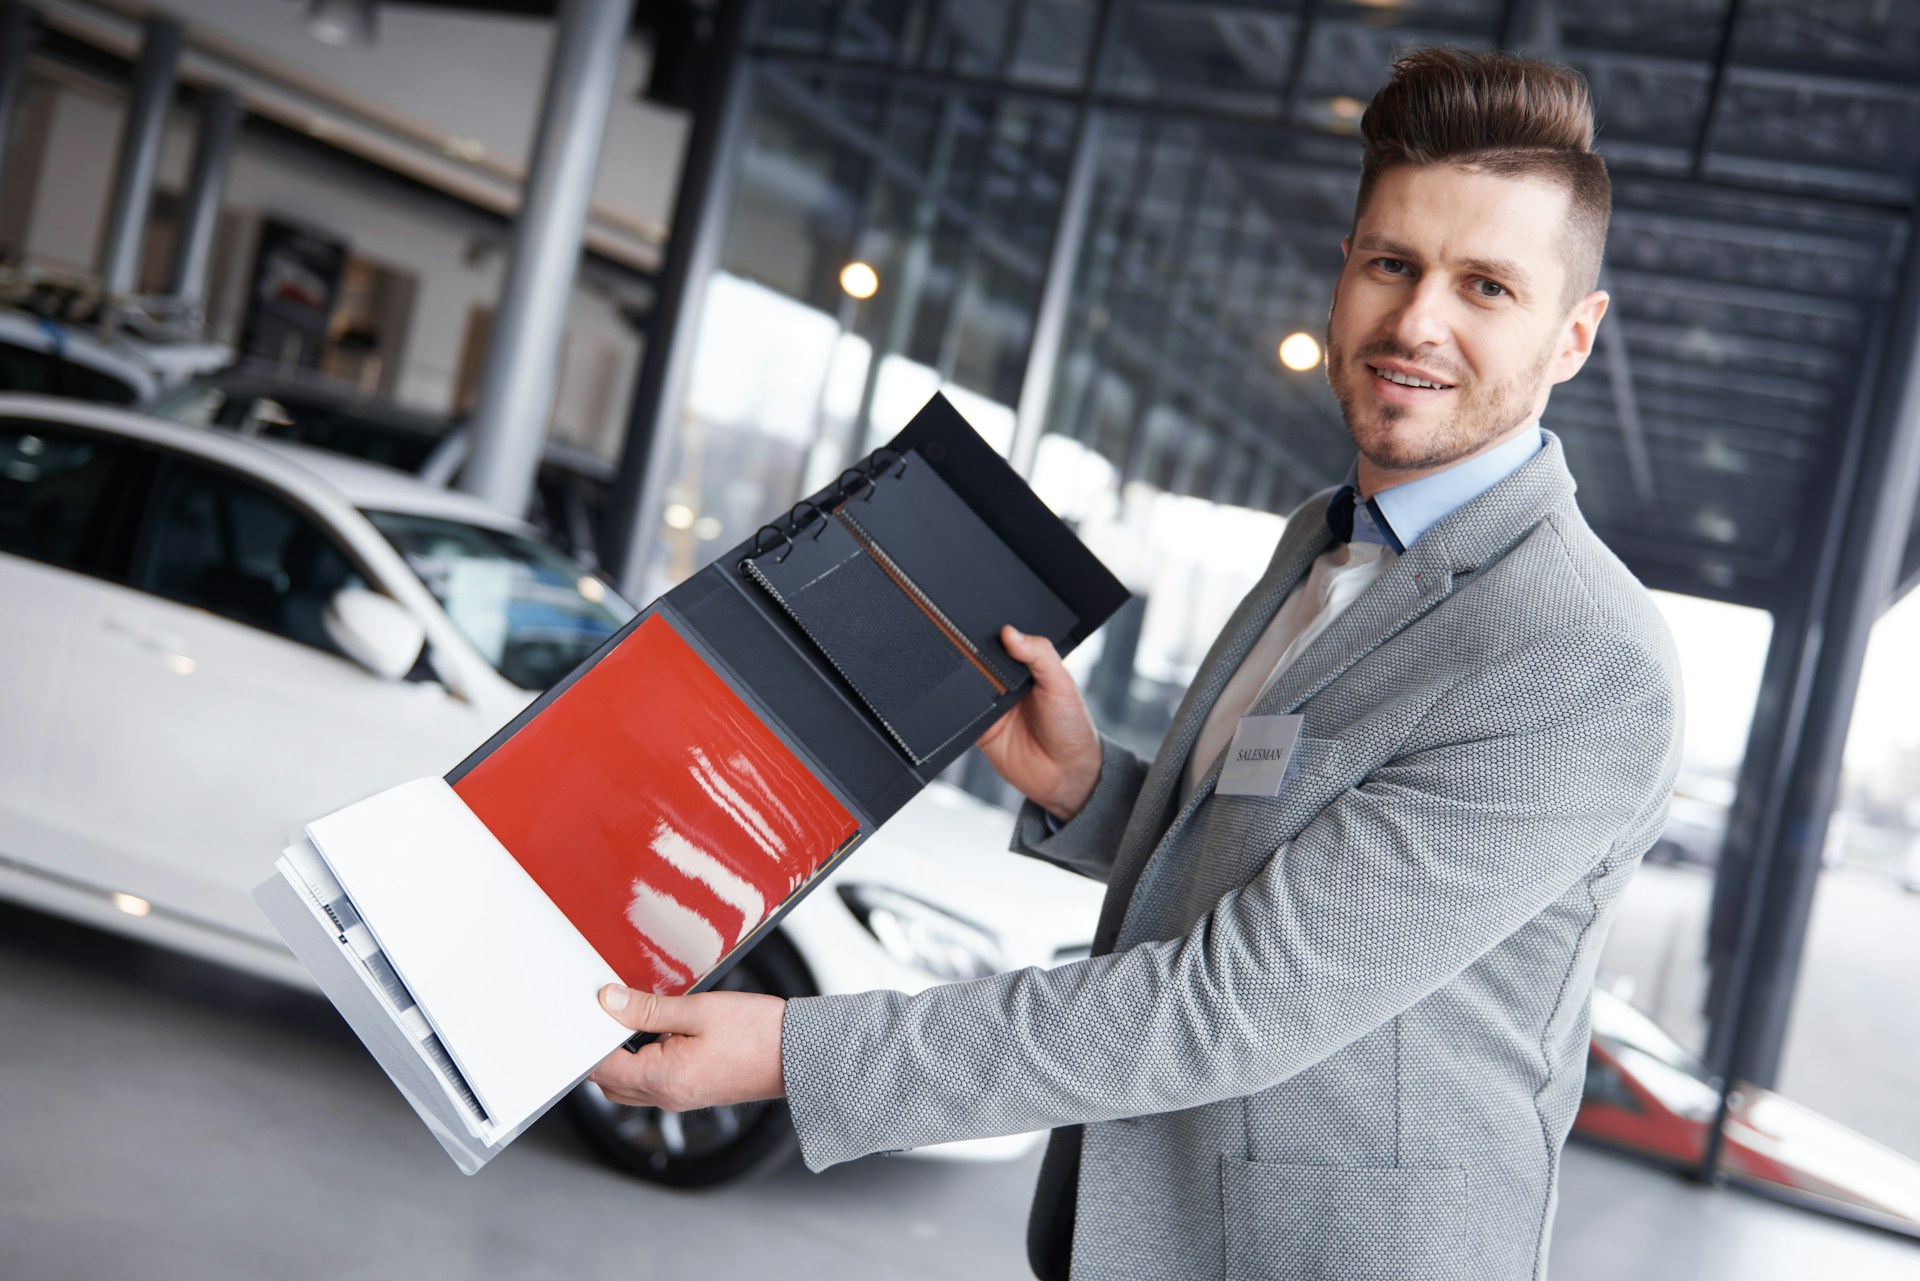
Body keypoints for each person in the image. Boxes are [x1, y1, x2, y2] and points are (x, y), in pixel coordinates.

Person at [588, 47, 1683, 1281]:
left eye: (1486, 286)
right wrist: (1087, 786)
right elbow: (1293, 845)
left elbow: (1234, 1004)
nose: (1417, 321)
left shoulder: (1580, 656)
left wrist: (794, 1054)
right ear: (1345, 272)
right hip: (1158, 1224)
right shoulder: (1322, 536)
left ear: (1574, 336)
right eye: (1394, 263)